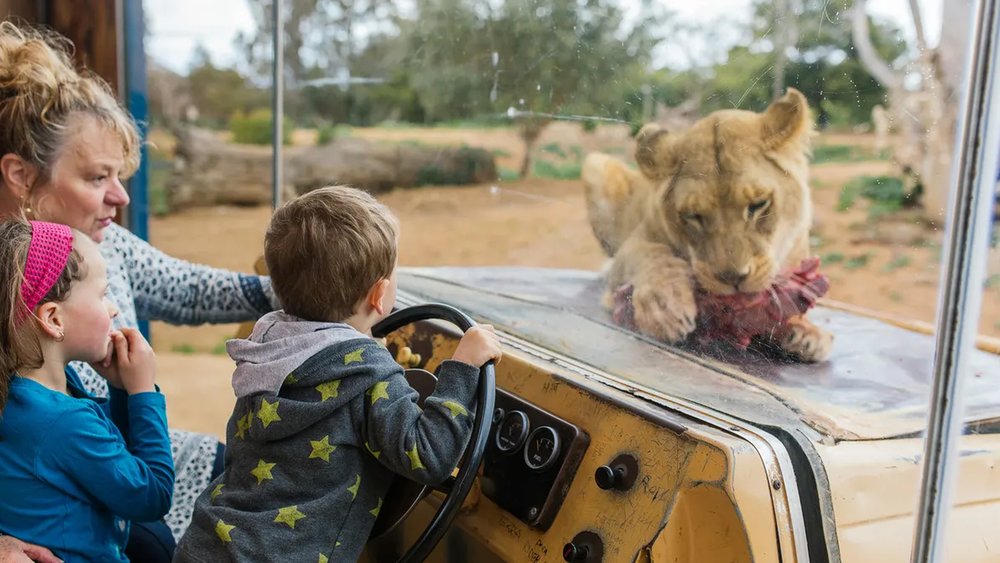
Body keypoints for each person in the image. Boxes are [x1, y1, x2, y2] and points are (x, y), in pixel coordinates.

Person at [0, 21, 279, 541]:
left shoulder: (107, 245)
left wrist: (304, 288)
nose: (121, 197)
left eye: (120, 176)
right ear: (21, 176)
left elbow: (192, 289)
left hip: (139, 471)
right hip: (78, 511)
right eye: (96, 177)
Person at [174, 186, 502, 562]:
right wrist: (463, 369)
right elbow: (429, 457)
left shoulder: (266, 351)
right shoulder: (369, 373)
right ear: (380, 295)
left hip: (206, 545)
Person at [0, 220, 174, 562]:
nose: (112, 309)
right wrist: (142, 392)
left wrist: (120, 389)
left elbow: (118, 462)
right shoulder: (62, 421)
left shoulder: (27, 394)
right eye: (102, 294)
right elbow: (152, 495)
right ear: (53, 319)